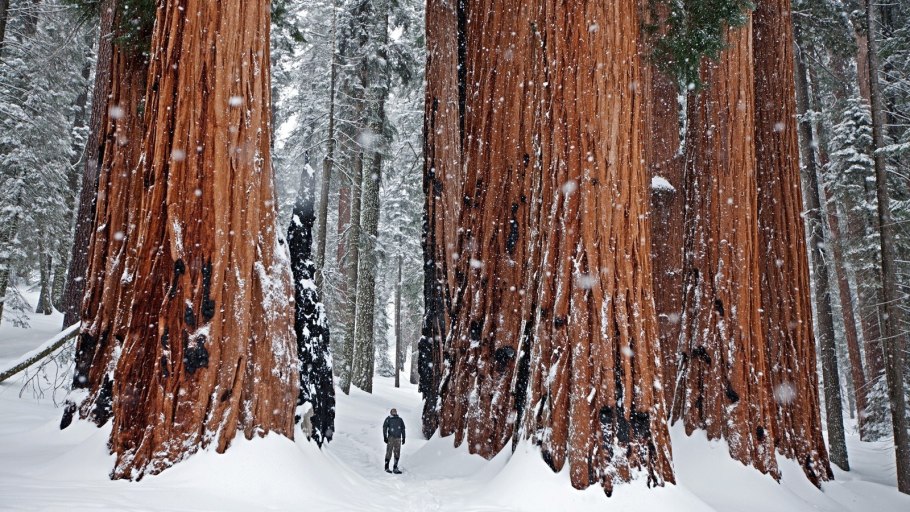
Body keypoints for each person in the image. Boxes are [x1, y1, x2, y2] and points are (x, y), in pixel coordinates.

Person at [383, 408, 406, 474]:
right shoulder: (388, 419)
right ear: (390, 412)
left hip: (398, 438)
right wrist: (385, 437)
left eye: (395, 411)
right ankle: (386, 467)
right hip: (391, 438)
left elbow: (403, 429)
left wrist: (404, 437)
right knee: (389, 452)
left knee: (397, 453)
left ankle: (395, 467)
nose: (394, 412)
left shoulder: (400, 419)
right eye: (393, 411)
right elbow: (384, 427)